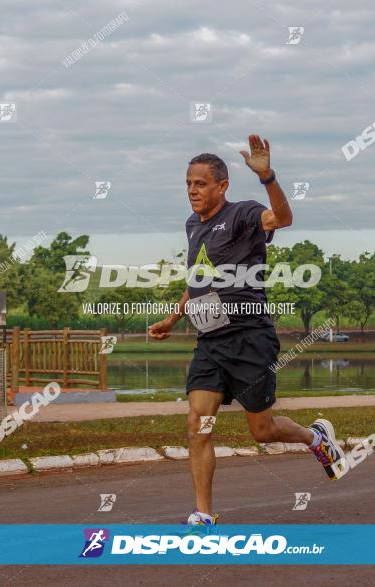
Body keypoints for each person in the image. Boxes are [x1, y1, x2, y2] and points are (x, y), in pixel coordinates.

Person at [148, 135, 346, 526]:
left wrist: (268, 176)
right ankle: (203, 514)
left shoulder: (242, 214)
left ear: (222, 186)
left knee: (262, 430)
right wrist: (174, 317)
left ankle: (316, 438)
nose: (192, 190)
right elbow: (197, 279)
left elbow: (284, 219)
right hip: (210, 344)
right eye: (188, 183)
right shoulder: (192, 225)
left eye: (200, 183)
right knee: (198, 422)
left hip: (250, 338)